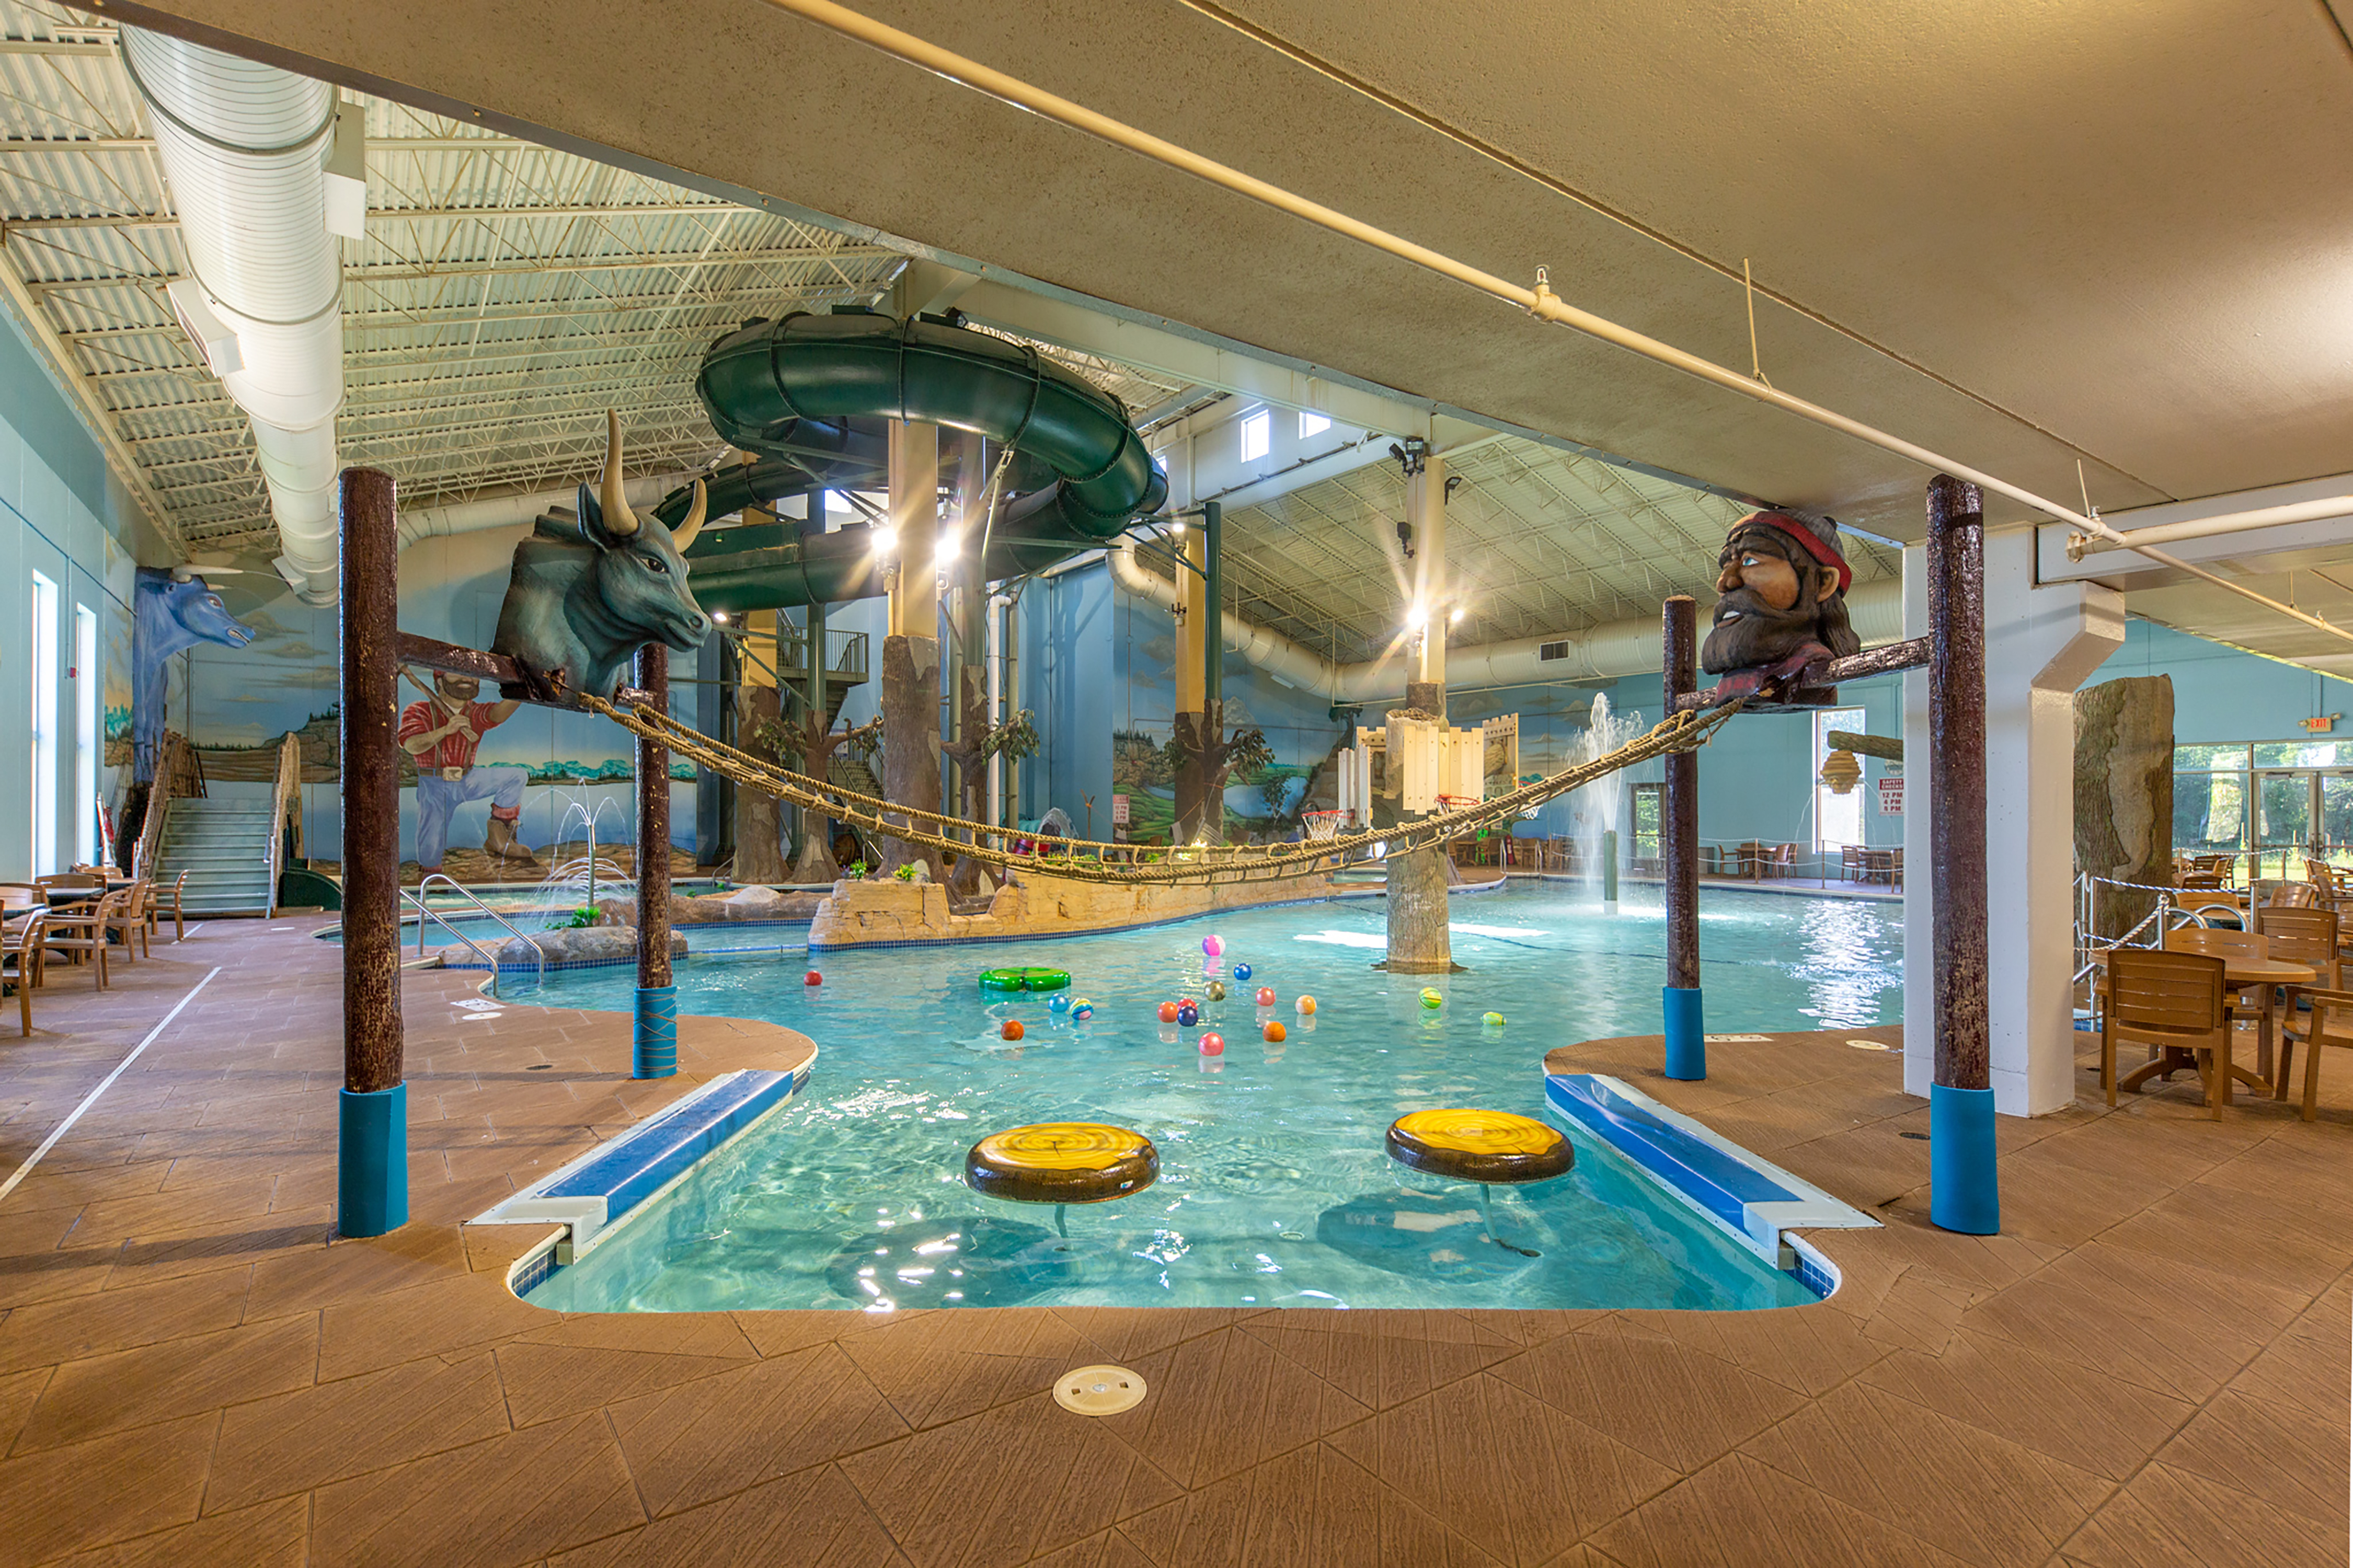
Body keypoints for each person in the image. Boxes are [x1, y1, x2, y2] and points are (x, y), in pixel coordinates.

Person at [1700, 509, 1861, 676]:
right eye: (1726, 567)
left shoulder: (1813, 668)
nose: (1724, 583)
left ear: (1823, 583)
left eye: (1751, 561)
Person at [398, 671, 530, 872]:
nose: (468, 679)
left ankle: (498, 838)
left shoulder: (474, 712)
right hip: (434, 785)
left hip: (468, 779)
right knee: (430, 849)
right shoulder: (419, 710)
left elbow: (497, 714)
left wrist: (526, 690)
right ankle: (432, 882)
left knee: (516, 776)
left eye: (471, 675)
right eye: (456, 675)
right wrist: (445, 730)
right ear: (440, 681)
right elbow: (411, 745)